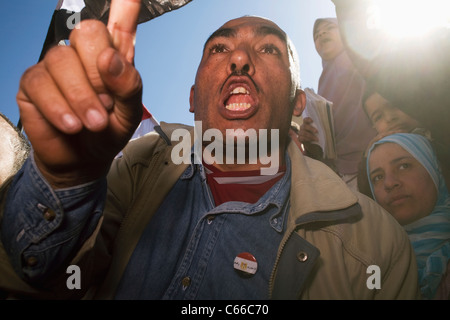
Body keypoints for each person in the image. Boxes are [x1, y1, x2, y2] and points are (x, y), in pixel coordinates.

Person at [0, 2, 420, 299]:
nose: (239, 57)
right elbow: (32, 275)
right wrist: (64, 181)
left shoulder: (378, 246)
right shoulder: (138, 168)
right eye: (219, 48)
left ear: (298, 102)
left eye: (269, 48)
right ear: (192, 96)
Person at [366, 133, 450, 299]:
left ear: (434, 170)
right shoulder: (370, 260)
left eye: (404, 166)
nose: (389, 183)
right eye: (378, 177)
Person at [297, 17, 376, 191]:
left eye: (329, 27)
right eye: (316, 35)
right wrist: (311, 139)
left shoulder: (358, 60)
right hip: (343, 174)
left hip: (377, 160)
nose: (321, 34)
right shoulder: (323, 82)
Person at [357, 81, 450, 198]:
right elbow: (369, 196)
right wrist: (367, 159)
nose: (390, 118)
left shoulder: (442, 132)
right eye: (378, 117)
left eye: (395, 106)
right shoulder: (381, 154)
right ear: (374, 127)